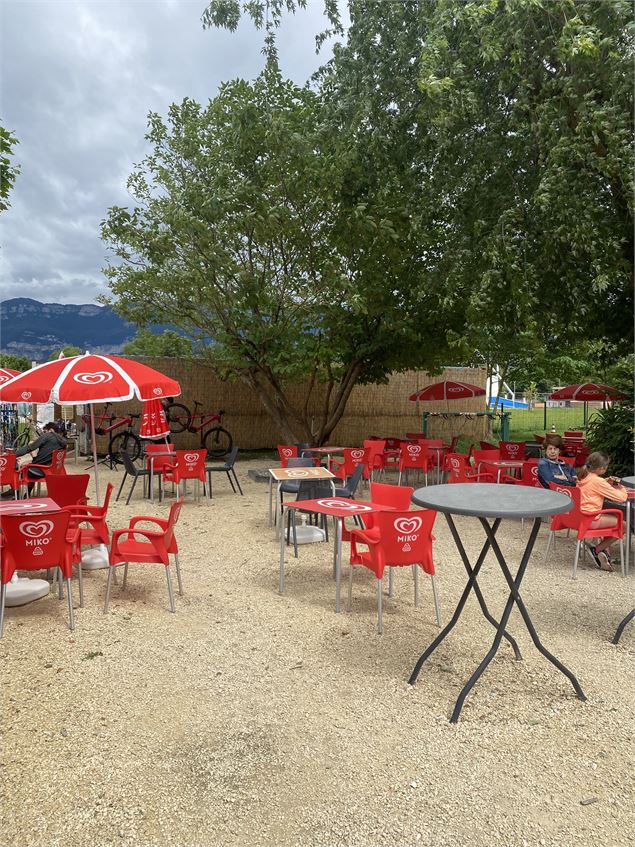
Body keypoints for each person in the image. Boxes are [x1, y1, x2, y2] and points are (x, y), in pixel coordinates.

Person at [577, 451, 628, 572]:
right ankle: (597, 549)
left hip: (578, 517)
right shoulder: (598, 482)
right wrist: (622, 487)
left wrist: (605, 482)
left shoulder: (583, 476)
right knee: (623, 525)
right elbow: (622, 498)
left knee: (610, 517)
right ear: (601, 468)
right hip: (590, 519)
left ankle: (603, 550)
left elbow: (592, 485)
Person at [1, 422, 68, 498]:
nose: (43, 434)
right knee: (29, 464)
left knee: (17, 468)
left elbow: (29, 448)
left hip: (41, 470)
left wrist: (12, 455)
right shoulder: (63, 442)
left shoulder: (48, 436)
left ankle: (16, 492)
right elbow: (47, 456)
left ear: (51, 430)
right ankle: (27, 494)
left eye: (45, 431)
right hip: (53, 470)